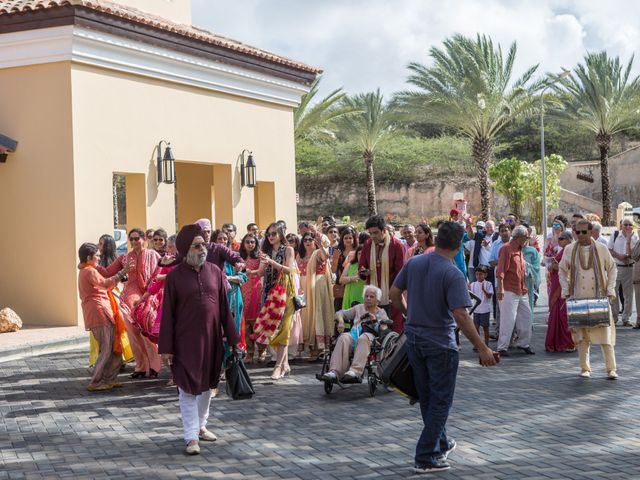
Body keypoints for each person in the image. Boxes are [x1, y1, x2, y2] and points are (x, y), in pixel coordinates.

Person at [390, 221, 498, 474]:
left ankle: (441, 443)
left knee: (427, 398)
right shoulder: (453, 274)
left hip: (414, 339)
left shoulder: (414, 263)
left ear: (436, 240)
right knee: (440, 401)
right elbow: (460, 314)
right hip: (440, 343)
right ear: (460, 246)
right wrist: (482, 348)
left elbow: (394, 294)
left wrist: (409, 315)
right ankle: (426, 456)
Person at [159, 224, 240, 455]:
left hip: (213, 340)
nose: (202, 248)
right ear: (185, 250)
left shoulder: (215, 271)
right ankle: (190, 437)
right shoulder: (174, 277)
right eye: (197, 246)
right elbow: (168, 315)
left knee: (207, 387)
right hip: (185, 343)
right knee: (187, 389)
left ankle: (201, 425)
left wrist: (234, 340)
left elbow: (224, 309)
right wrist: (167, 348)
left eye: (204, 244)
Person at [98, 228, 162, 378]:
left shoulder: (154, 255)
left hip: (150, 295)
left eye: (136, 239)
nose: (133, 242)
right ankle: (140, 366)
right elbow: (107, 272)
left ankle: (155, 365)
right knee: (133, 332)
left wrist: (150, 293)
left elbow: (161, 272)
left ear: (144, 239)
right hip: (130, 296)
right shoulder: (124, 258)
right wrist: (90, 264)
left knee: (147, 330)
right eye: (131, 239)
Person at [559, 219, 618, 379]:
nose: (580, 235)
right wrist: (566, 291)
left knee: (604, 335)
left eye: (584, 232)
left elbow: (612, 269)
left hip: (599, 297)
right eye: (577, 232)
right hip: (578, 297)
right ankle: (585, 368)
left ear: (591, 232)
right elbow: (562, 270)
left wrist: (610, 289)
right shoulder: (569, 249)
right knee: (582, 336)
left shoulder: (601, 248)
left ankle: (611, 369)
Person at [77, 243, 130, 391]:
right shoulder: (89, 271)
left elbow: (104, 285)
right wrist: (122, 272)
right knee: (106, 348)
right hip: (98, 312)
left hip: (99, 311)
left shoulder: (87, 271)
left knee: (112, 347)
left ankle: (108, 379)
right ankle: (96, 382)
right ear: (89, 258)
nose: (99, 258)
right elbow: (106, 284)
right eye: (97, 256)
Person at [251, 223, 296, 380]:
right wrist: (256, 268)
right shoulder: (267, 251)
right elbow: (261, 273)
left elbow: (289, 270)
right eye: (269, 234)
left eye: (274, 234)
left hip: (285, 294)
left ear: (281, 234)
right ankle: (284, 363)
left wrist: (271, 262)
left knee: (284, 329)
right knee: (272, 329)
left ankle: (278, 366)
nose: (271, 237)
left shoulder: (288, 250)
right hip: (270, 294)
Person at [321, 286, 391, 383]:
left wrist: (374, 320)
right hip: (354, 334)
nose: (368, 298)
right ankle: (334, 372)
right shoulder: (358, 308)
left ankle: (355, 372)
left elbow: (383, 330)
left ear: (377, 301)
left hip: (370, 337)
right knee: (344, 337)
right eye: (366, 296)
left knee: (363, 338)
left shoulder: (381, 312)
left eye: (371, 297)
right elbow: (340, 313)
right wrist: (341, 321)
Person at [359, 214, 405, 332]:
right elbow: (362, 267)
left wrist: (394, 293)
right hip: (373, 293)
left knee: (393, 325)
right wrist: (365, 272)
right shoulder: (368, 244)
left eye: (375, 233)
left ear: (384, 230)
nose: (372, 236)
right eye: (370, 233)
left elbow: (400, 273)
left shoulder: (397, 245)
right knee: (372, 325)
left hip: (391, 294)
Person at [495, 225, 534, 357]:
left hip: (521, 289)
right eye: (525, 237)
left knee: (527, 316)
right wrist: (500, 289)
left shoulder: (519, 249)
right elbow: (500, 270)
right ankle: (502, 347)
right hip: (508, 289)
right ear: (519, 237)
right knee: (508, 319)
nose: (527, 240)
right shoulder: (506, 249)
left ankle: (524, 343)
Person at [214, 229, 247, 356]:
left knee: (232, 329)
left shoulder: (234, 256)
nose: (222, 241)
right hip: (217, 297)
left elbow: (243, 277)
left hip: (233, 296)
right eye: (219, 239)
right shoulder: (211, 257)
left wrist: (228, 278)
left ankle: (231, 360)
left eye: (225, 239)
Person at [302, 230, 334, 361]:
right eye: (306, 240)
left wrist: (321, 245)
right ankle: (314, 348)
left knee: (317, 314)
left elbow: (325, 256)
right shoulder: (309, 253)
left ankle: (319, 348)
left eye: (311, 239)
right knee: (311, 314)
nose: (309, 242)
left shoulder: (319, 252)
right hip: (310, 286)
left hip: (318, 287)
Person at [545, 231, 575, 352]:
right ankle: (556, 342)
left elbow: (569, 268)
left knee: (564, 314)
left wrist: (555, 266)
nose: (560, 240)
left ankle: (567, 343)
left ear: (569, 239)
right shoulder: (563, 250)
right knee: (556, 313)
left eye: (562, 238)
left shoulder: (571, 251)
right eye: (559, 238)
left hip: (563, 286)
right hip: (557, 283)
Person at [239, 233, 264, 363]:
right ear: (243, 243)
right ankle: (249, 352)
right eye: (247, 242)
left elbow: (262, 271)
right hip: (243, 290)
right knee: (246, 323)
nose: (250, 244)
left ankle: (261, 351)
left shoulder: (260, 257)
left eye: (252, 242)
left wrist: (248, 271)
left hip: (255, 289)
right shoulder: (238, 257)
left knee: (256, 322)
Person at [608, 218, 638, 326]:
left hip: (630, 268)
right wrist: (619, 256)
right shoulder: (615, 234)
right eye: (626, 224)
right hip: (616, 267)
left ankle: (626, 318)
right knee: (613, 293)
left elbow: (635, 253)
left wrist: (628, 256)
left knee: (628, 295)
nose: (628, 227)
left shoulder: (635, 237)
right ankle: (614, 318)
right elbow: (609, 250)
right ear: (621, 225)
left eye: (630, 225)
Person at [331, 227, 358, 312]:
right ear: (342, 239)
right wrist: (335, 259)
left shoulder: (358, 252)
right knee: (340, 310)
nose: (348, 240)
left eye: (350, 238)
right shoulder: (338, 252)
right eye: (345, 238)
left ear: (354, 239)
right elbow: (333, 270)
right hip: (341, 283)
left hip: (355, 282)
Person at [469, 264, 493, 346]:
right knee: (476, 327)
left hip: (485, 309)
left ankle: (486, 344)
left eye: (480, 274)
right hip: (476, 310)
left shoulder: (488, 284)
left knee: (485, 327)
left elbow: (489, 296)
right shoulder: (473, 284)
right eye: (477, 274)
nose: (478, 276)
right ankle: (478, 344)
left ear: (485, 275)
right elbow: (471, 297)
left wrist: (484, 290)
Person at [522, 223, 541, 323]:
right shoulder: (512, 250)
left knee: (529, 304)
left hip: (528, 283)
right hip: (515, 283)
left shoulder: (533, 251)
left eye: (526, 237)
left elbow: (536, 268)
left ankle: (529, 324)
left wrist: (526, 265)